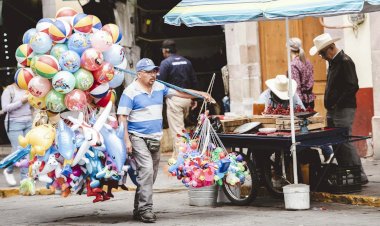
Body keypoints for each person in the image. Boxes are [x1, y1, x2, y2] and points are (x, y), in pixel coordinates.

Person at [117, 58, 213, 223]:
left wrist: (199, 94)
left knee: (150, 176)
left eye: (154, 71)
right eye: (148, 72)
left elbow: (180, 91)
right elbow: (122, 117)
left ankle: (138, 209)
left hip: (155, 138)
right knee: (146, 171)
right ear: (139, 74)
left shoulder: (160, 87)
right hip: (137, 137)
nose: (152, 75)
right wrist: (126, 140)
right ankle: (146, 210)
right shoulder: (130, 91)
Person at [309, 33, 368, 184]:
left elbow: (352, 86)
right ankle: (347, 172)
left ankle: (359, 175)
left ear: (331, 48)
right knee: (336, 142)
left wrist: (337, 103)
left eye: (322, 53)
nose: (322, 56)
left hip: (343, 110)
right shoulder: (334, 63)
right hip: (334, 110)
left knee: (345, 142)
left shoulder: (344, 61)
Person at [158, 39, 199, 145]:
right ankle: (179, 154)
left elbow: (159, 83)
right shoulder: (186, 61)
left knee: (178, 131)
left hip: (175, 100)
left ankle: (182, 157)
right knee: (182, 128)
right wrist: (194, 99)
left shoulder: (165, 63)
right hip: (187, 99)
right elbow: (194, 81)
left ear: (165, 50)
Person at [1, 83, 33, 186]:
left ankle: (25, 179)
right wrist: (21, 101)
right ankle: (9, 169)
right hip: (14, 123)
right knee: (18, 150)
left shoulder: (29, 88)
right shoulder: (9, 90)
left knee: (27, 150)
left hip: (29, 121)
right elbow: (5, 108)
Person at [289, 37, 316, 109]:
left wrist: (298, 106)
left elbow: (296, 87)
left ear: (289, 49)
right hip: (310, 101)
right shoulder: (307, 62)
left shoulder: (293, 65)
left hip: (300, 102)